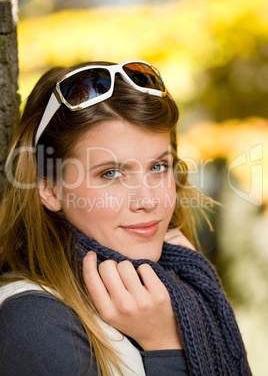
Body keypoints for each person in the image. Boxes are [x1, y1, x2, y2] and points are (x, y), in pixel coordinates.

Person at [0, 60, 251, 376]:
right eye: (112, 173)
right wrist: (166, 343)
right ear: (49, 188)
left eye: (158, 167)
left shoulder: (179, 283)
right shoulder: (35, 323)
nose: (148, 201)